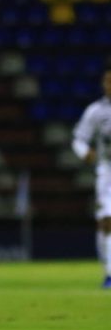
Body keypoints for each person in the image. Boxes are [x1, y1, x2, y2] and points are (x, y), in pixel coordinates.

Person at [71, 61, 111, 288]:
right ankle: (109, 273)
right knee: (106, 220)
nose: (110, 85)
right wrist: (84, 152)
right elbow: (79, 138)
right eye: (107, 80)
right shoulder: (96, 111)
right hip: (107, 172)